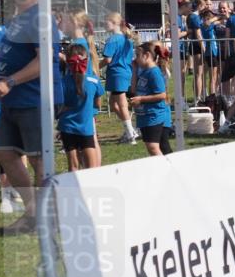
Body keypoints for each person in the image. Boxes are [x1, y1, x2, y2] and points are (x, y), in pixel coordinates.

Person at [0, 0, 63, 234]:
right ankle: (33, 212)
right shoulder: (18, 19)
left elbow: (43, 60)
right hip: (12, 100)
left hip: (34, 99)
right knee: (5, 153)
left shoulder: (40, 19)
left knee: (39, 160)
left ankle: (47, 217)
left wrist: (9, 81)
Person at [58, 44, 104, 171]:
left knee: (73, 167)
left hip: (67, 127)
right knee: (92, 168)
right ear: (87, 60)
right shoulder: (94, 81)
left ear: (68, 62)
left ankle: (74, 191)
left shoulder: (62, 82)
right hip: (86, 127)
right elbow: (98, 104)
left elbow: (60, 105)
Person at [129, 42, 174, 155]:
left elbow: (162, 95)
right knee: (157, 147)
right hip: (145, 115)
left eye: (137, 55)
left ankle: (167, 170)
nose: (136, 59)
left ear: (147, 55)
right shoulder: (144, 71)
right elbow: (133, 90)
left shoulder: (154, 72)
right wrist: (134, 70)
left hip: (154, 115)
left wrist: (141, 99)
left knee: (153, 147)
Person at [100, 12, 137, 144]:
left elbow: (107, 59)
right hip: (124, 72)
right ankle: (130, 130)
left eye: (107, 21)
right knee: (113, 104)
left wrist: (95, 67)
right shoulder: (126, 39)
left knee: (121, 105)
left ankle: (131, 134)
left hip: (117, 73)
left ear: (114, 23)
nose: (105, 23)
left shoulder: (112, 39)